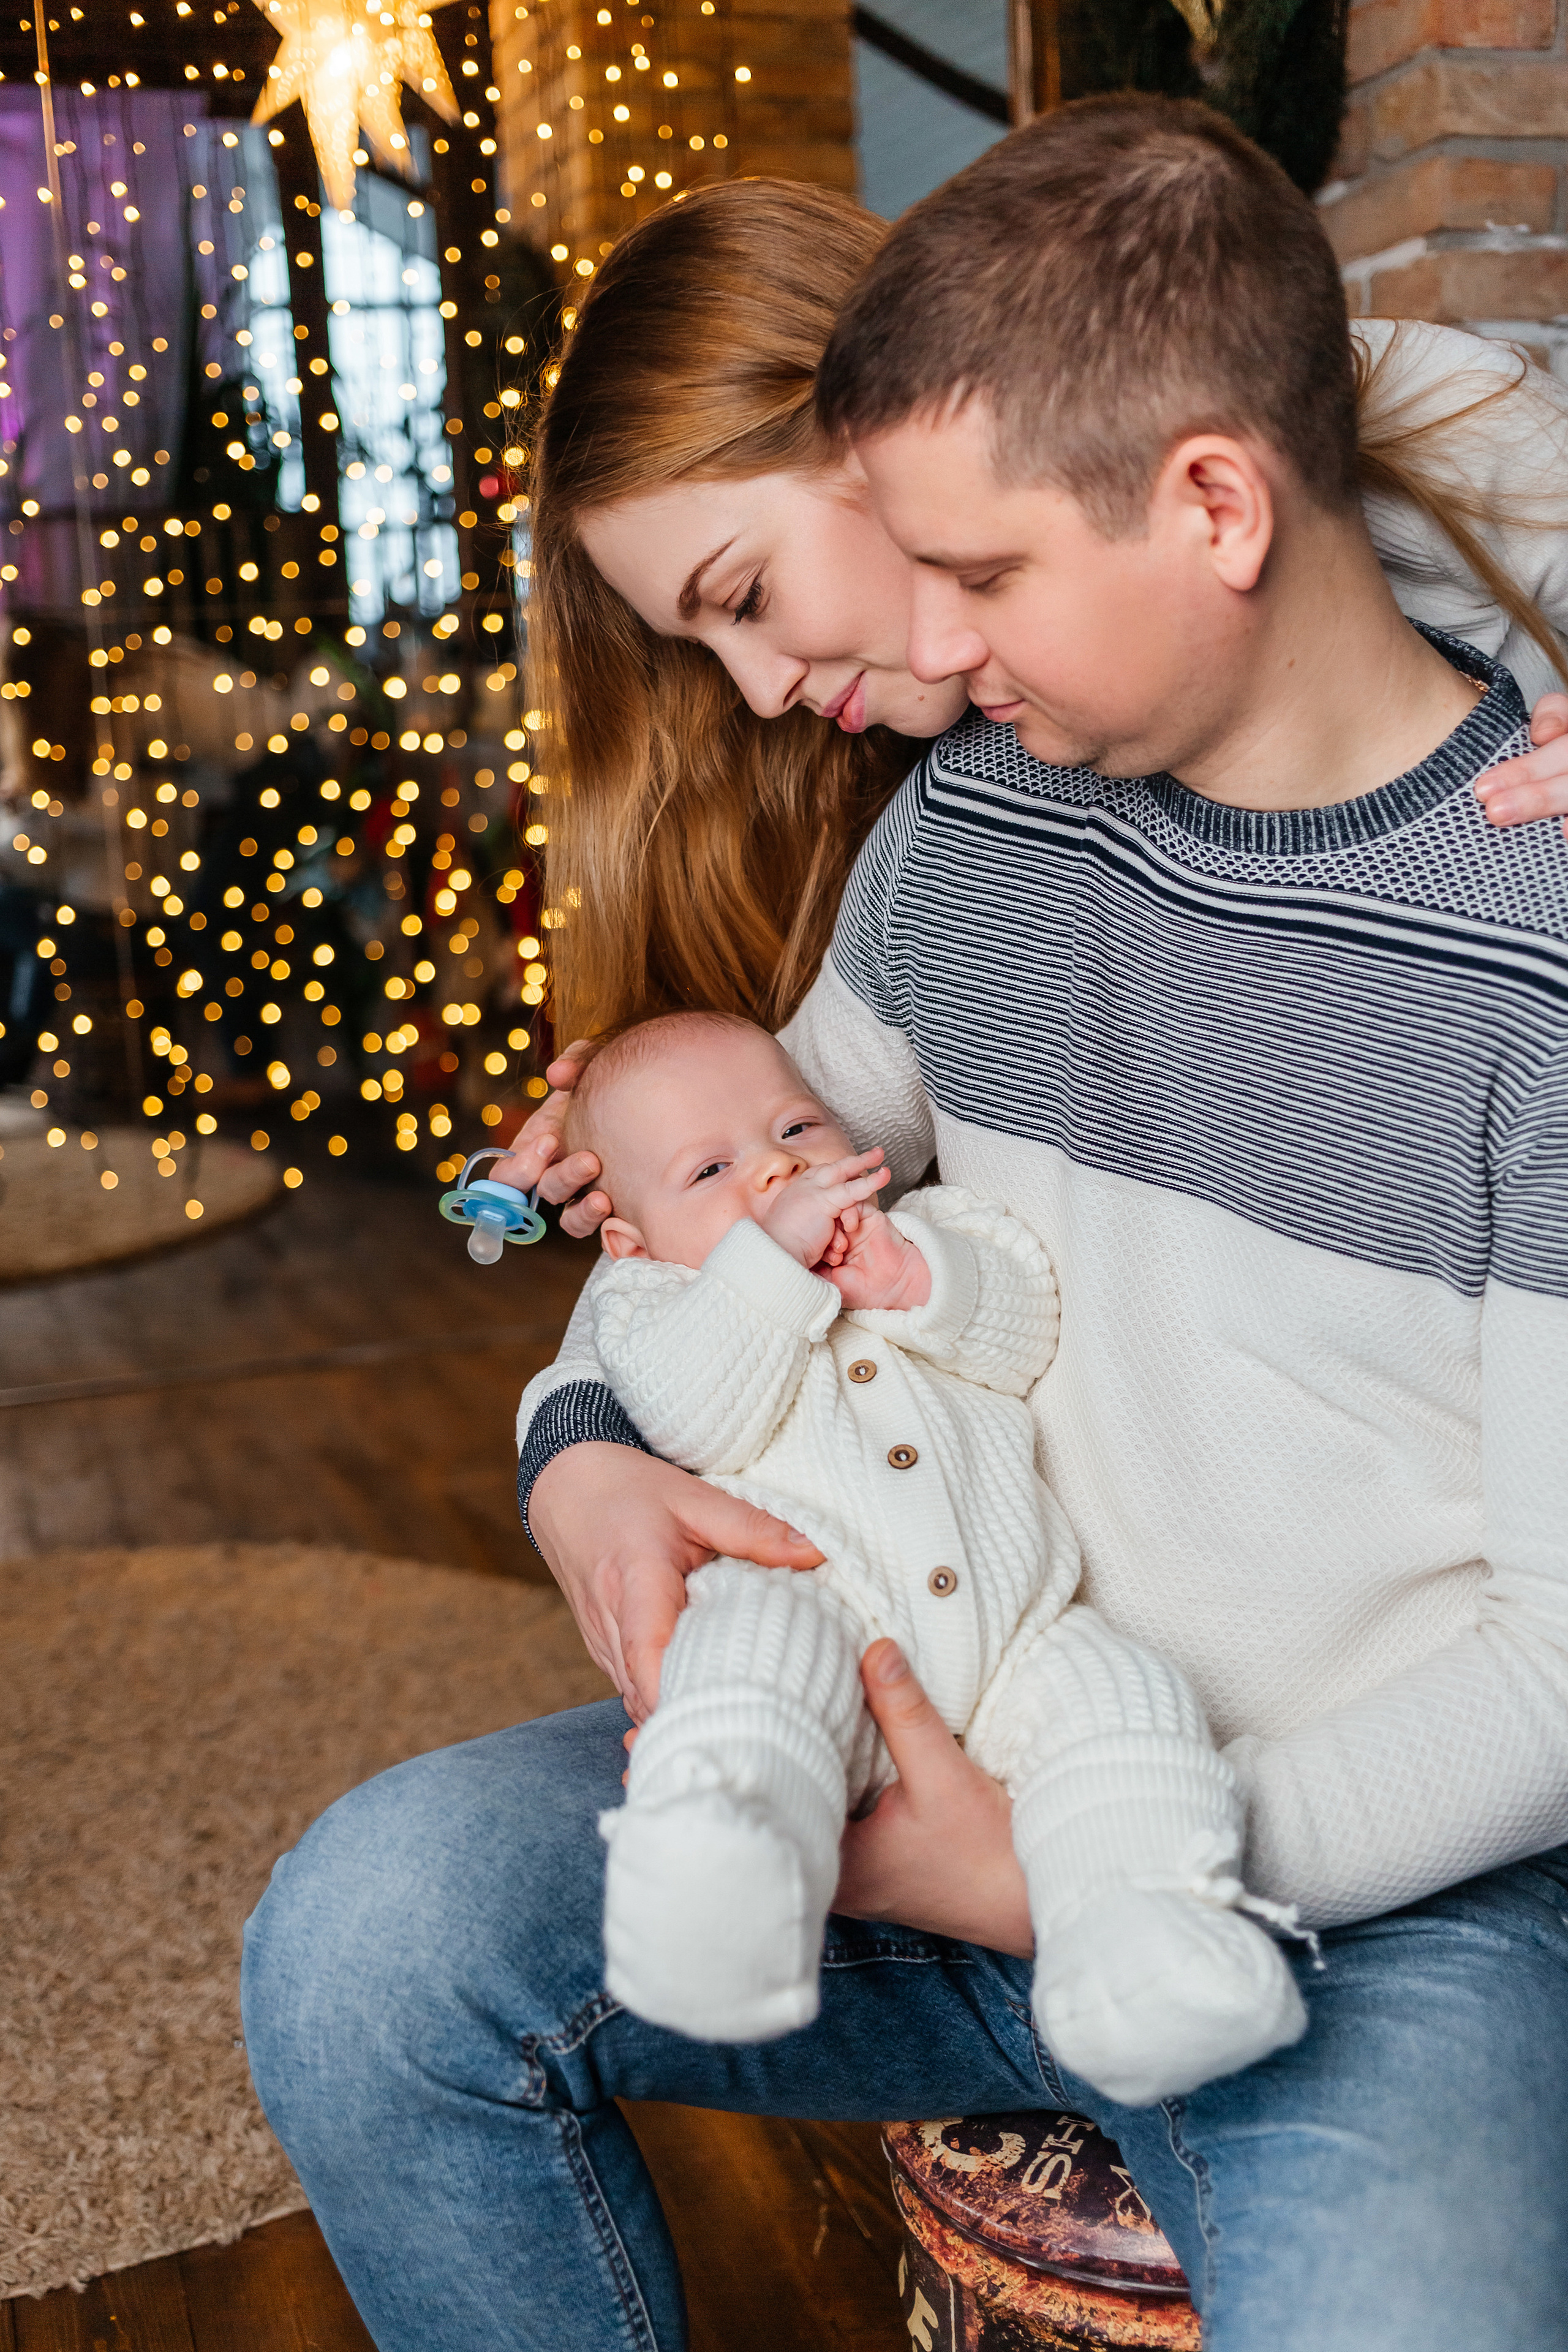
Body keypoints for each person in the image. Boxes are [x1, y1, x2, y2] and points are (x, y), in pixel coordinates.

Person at [241, 112, 1568, 2352]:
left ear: (1208, 504)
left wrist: (1089, 1860)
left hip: (1367, 1888)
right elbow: (721, 1195)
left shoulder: (1529, 935)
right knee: (366, 1945)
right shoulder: (968, 830)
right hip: (942, 1725)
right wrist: (578, 1442)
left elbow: (1552, 1675)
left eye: (975, 575)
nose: (927, 643)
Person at [565, 1009, 1306, 2099]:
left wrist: (915, 1280)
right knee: (742, 1675)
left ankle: (1147, 1951)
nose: (776, 1171)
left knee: (1130, 1706)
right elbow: (688, 1420)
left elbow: (1024, 1332)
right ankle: (718, 1895)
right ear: (628, 1235)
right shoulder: (651, 1301)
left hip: (1021, 1637)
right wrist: (768, 1270)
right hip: (812, 1601)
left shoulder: (930, 1223)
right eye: (713, 1168)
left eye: (796, 1127)